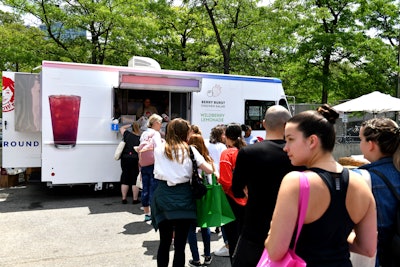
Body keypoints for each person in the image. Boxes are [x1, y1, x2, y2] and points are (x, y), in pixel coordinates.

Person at [265, 104, 377, 266]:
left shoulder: (296, 182)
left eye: (290, 139)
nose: (285, 148)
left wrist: (271, 234)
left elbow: (275, 251)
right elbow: (368, 248)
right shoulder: (361, 184)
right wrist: (332, 239)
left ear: (312, 141)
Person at [231, 105, 303, 266]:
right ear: (288, 125)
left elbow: (236, 190)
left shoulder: (248, 153)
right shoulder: (297, 155)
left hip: (254, 228)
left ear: (264, 123)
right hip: (290, 230)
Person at [150, 118, 214, 267]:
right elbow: (209, 170)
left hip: (163, 196)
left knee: (164, 243)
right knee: (180, 246)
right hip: (184, 198)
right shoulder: (190, 149)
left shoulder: (159, 148)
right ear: (185, 132)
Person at [357, 117, 400, 267]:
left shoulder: (363, 178)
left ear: (371, 145)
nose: (360, 144)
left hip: (379, 257)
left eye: (361, 139)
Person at [218, 123, 247, 262]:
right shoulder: (247, 150)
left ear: (226, 136)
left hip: (231, 200)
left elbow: (226, 181)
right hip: (248, 200)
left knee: (233, 240)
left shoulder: (227, 153)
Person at [187, 133, 216, 267]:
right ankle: (208, 255)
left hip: (192, 195)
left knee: (191, 228)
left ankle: (196, 259)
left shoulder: (188, 158)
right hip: (206, 196)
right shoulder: (208, 159)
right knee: (205, 226)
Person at [206, 124, 229, 257]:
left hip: (209, 179)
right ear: (221, 135)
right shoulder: (222, 147)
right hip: (220, 179)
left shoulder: (207, 144)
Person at [140, 114, 163, 221]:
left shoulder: (144, 133)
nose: (161, 125)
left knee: (145, 188)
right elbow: (158, 150)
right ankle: (154, 214)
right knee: (154, 188)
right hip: (154, 165)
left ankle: (146, 214)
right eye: (160, 123)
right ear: (156, 123)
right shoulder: (156, 134)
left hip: (144, 164)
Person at [119, 121, 141, 204]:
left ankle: (124, 198)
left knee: (125, 176)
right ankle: (135, 199)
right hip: (135, 158)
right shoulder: (140, 138)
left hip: (125, 157)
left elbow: (121, 128)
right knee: (134, 178)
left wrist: (130, 124)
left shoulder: (127, 134)